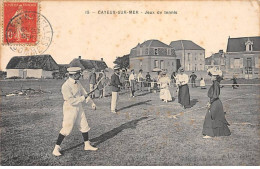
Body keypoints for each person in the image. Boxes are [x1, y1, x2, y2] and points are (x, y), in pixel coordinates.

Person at [52, 67, 98, 157]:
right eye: (78, 74)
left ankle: (87, 145)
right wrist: (82, 98)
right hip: (70, 109)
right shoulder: (65, 86)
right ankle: (56, 148)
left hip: (79, 107)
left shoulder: (78, 82)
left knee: (84, 125)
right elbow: (71, 101)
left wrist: (92, 103)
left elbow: (84, 94)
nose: (80, 75)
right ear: (73, 75)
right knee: (66, 129)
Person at [202, 69, 231, 138]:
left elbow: (215, 95)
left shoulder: (216, 84)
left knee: (209, 116)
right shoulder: (215, 83)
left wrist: (210, 102)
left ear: (215, 77)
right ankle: (220, 132)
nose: (211, 77)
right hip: (215, 102)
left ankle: (209, 133)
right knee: (216, 117)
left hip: (215, 102)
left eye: (212, 76)